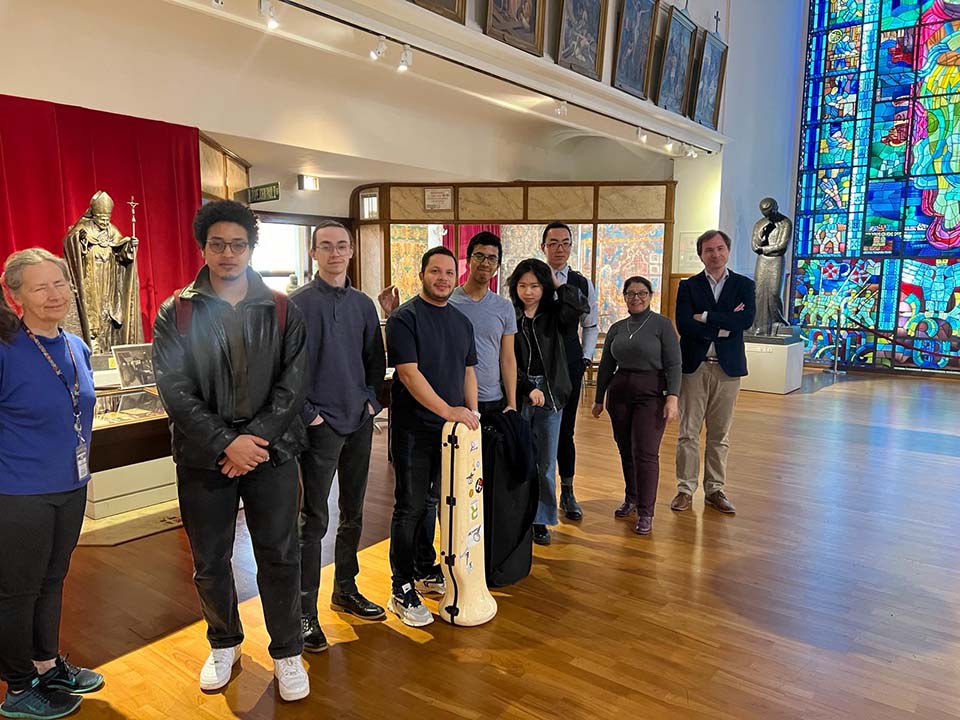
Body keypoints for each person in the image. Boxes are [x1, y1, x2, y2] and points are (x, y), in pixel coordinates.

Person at [152, 200, 311, 701]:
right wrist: (225, 442)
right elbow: (174, 389)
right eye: (217, 244)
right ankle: (224, 642)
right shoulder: (177, 311)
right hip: (205, 457)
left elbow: (293, 385)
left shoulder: (282, 308)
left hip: (271, 453)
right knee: (210, 559)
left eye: (237, 244)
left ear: (250, 248)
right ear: (203, 248)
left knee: (280, 554)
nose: (228, 254)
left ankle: (287, 651)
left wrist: (252, 442)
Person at [0, 248, 103, 720]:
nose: (54, 294)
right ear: (16, 297)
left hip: (71, 485)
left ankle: (45, 664)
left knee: (53, 579)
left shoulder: (76, 345)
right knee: (17, 591)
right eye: (39, 287)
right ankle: (19, 687)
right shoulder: (6, 350)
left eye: (59, 283)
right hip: (19, 493)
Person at [289, 220, 387, 655]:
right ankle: (304, 611)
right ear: (314, 253)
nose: (334, 253)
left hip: (358, 422)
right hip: (320, 427)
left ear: (351, 251)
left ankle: (345, 588)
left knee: (353, 513)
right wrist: (310, 415)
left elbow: (375, 361)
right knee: (313, 520)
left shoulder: (363, 304)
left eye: (341, 246)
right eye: (325, 246)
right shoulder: (296, 305)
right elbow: (287, 367)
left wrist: (370, 403)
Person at [385, 246, 479, 627]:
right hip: (414, 430)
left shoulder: (461, 322)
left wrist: (471, 414)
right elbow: (409, 374)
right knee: (409, 505)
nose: (442, 278)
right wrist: (448, 411)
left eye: (448, 272)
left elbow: (468, 372)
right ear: (422, 274)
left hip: (451, 434)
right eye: (434, 271)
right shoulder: (404, 318)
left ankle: (425, 568)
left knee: (436, 501)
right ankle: (401, 585)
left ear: (456, 277)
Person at [671, 230, 755, 516]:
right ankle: (685, 489)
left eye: (720, 248)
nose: (715, 254)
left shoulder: (743, 285)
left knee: (720, 434)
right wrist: (725, 324)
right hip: (694, 368)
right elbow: (684, 324)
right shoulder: (688, 286)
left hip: (727, 369)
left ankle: (714, 489)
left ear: (728, 251)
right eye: (709, 250)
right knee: (688, 433)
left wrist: (706, 317)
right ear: (701, 254)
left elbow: (746, 320)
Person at [591, 276, 681, 536]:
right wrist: (598, 399)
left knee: (645, 452)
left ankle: (645, 511)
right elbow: (606, 365)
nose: (636, 298)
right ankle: (631, 498)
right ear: (624, 297)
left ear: (650, 296)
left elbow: (674, 363)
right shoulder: (618, 328)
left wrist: (673, 397)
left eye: (642, 293)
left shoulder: (662, 325)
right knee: (625, 450)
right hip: (619, 394)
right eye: (631, 294)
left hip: (651, 394)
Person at [508, 258, 588, 546]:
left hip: (551, 393)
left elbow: (579, 306)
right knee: (519, 457)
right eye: (522, 285)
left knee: (545, 461)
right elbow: (506, 360)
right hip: (519, 390)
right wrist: (526, 387)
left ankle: (540, 519)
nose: (528, 292)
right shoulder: (511, 316)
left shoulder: (555, 315)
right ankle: (518, 515)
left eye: (535, 285)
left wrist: (556, 283)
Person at [541, 221, 598, 521]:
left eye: (565, 243)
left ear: (571, 247)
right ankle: (539, 497)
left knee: (566, 430)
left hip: (570, 362)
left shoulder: (582, 283)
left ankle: (567, 491)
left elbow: (591, 324)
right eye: (553, 243)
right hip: (538, 363)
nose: (559, 248)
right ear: (543, 247)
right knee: (538, 430)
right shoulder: (532, 278)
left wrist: (586, 357)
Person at [448, 231, 518, 416]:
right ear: (468, 260)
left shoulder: (504, 307)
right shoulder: (448, 302)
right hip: (455, 397)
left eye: (492, 258)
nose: (485, 263)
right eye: (479, 256)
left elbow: (507, 357)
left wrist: (512, 402)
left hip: (492, 398)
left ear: (498, 266)